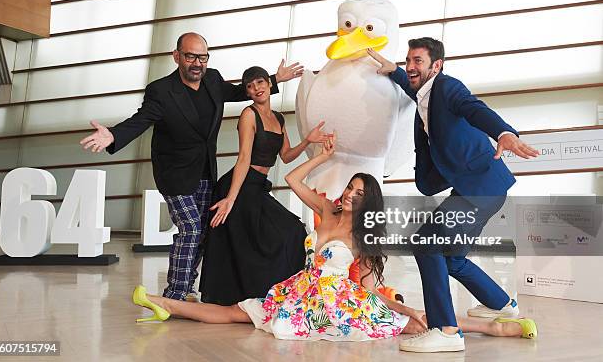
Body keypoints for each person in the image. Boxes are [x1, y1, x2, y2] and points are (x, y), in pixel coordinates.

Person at [132, 136, 537, 343]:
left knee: (409, 320)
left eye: (358, 194)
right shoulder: (328, 211)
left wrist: (396, 303)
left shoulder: (363, 237)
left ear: (368, 202)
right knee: (241, 312)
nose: (349, 195)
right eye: (350, 188)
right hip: (303, 289)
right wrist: (322, 156)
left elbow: (367, 286)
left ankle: (499, 329)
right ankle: (161, 303)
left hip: (339, 298)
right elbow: (291, 179)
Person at [79, 32, 303, 301]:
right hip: (174, 173)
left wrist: (276, 80)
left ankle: (185, 289)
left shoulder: (212, 79)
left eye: (203, 57)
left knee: (203, 231)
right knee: (191, 228)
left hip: (206, 171)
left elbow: (238, 92)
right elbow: (141, 120)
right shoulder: (161, 91)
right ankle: (173, 295)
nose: (197, 63)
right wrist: (114, 135)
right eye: (190, 56)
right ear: (177, 56)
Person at [367, 38, 539, 352]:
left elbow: (473, 109)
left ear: (437, 66)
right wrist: (392, 70)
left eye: (418, 61)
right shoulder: (423, 92)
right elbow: (410, 86)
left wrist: (502, 132)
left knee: (425, 242)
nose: (411, 67)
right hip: (481, 187)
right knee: (452, 258)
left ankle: (445, 330)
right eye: (408, 61)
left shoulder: (447, 88)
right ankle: (502, 304)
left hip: (480, 186)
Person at [199, 66, 330, 305]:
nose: (256, 88)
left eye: (260, 82)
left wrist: (308, 141)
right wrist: (230, 198)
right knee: (258, 242)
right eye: (249, 86)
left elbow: (287, 155)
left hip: (257, 186)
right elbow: (243, 159)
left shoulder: (278, 118)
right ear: (247, 92)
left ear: (269, 85)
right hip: (240, 185)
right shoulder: (249, 115)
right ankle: (256, 295)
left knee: (293, 230)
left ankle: (282, 293)